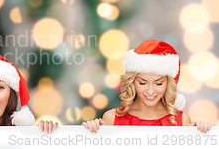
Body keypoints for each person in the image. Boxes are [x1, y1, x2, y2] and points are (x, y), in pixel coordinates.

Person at [83, 39, 212, 133]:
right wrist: (91, 134)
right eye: (142, 83)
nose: (150, 91)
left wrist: (201, 134)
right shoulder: (112, 118)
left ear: (168, 83)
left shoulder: (181, 121)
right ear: (132, 81)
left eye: (158, 83)